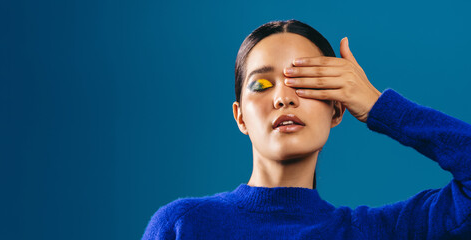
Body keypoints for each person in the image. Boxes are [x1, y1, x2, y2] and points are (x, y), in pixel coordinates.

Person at [141, 19, 471, 239]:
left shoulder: (374, 232)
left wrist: (376, 105)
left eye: (305, 83)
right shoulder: (183, 225)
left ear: (337, 108)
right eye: (262, 84)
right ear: (240, 117)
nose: (283, 97)